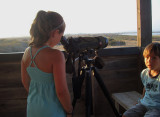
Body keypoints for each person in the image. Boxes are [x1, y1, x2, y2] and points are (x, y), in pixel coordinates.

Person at [21, 10, 73, 117]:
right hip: (52, 111)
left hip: (33, 108)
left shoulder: (27, 52)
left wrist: (39, 97)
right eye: (61, 35)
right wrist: (69, 110)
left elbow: (25, 82)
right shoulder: (56, 55)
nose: (60, 39)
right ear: (55, 33)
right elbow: (61, 91)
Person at [122, 43, 160, 117]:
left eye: (154, 58)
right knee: (126, 115)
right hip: (144, 104)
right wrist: (141, 100)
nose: (149, 60)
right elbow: (145, 88)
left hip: (157, 108)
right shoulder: (144, 73)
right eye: (147, 57)